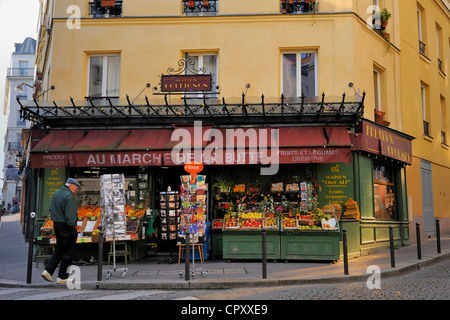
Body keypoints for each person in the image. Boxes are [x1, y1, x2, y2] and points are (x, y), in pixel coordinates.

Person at [41, 178, 81, 284]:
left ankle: (47, 271)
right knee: (68, 252)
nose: (76, 190)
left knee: (59, 249)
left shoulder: (56, 194)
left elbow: (51, 210)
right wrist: (73, 228)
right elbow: (70, 217)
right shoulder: (69, 197)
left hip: (57, 225)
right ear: (71, 186)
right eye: (76, 188)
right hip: (67, 227)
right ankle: (62, 277)